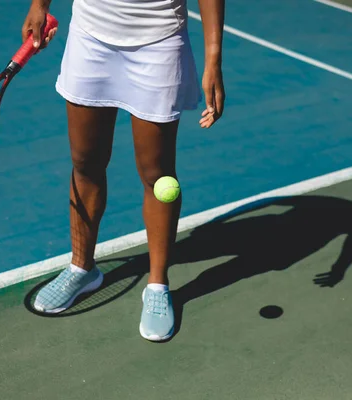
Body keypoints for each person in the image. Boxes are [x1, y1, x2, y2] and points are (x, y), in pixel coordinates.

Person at [21, 0, 225, 341]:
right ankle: (82, 268)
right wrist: (40, 4)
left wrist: (213, 58)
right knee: (85, 162)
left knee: (157, 175)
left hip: (158, 41)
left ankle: (158, 285)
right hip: (91, 35)